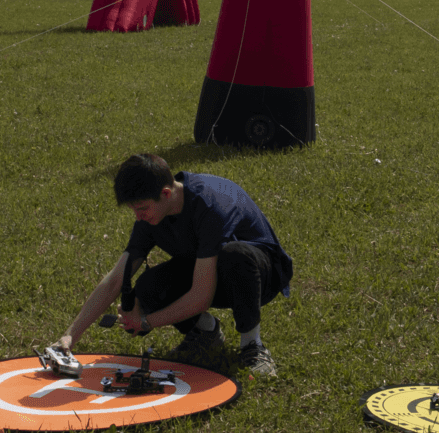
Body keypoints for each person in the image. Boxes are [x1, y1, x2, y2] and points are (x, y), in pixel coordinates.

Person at [56, 154, 293, 377]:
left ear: (167, 193)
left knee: (234, 254)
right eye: (132, 210)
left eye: (142, 209)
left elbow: (201, 296)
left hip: (260, 274)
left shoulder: (210, 205)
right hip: (211, 267)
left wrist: (147, 321)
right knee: (148, 287)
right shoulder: (152, 214)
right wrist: (70, 335)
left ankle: (253, 345)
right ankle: (205, 333)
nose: (138, 217)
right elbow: (117, 278)